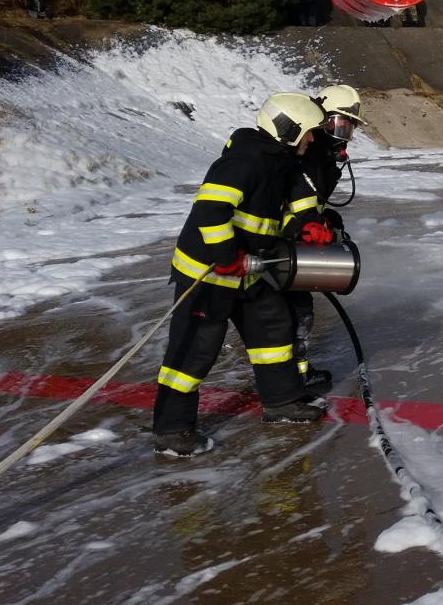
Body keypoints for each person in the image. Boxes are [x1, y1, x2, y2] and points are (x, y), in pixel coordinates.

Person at [152, 92, 332, 457]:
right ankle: (171, 430)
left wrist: (306, 226)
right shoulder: (244, 161)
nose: (312, 139)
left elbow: (288, 208)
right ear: (288, 129)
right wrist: (226, 257)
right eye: (309, 132)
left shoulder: (282, 164)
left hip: (247, 269)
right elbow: (210, 211)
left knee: (272, 327)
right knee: (196, 350)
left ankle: (281, 402)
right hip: (207, 274)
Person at [281, 84, 366, 392]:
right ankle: (288, 379)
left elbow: (309, 201)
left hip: (292, 242)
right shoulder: (305, 153)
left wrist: (325, 217)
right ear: (324, 120)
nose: (344, 135)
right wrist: (305, 225)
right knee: (290, 313)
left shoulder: (321, 157)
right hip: (280, 244)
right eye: (341, 126)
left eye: (349, 129)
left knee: (298, 310)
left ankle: (295, 373)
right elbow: (289, 201)